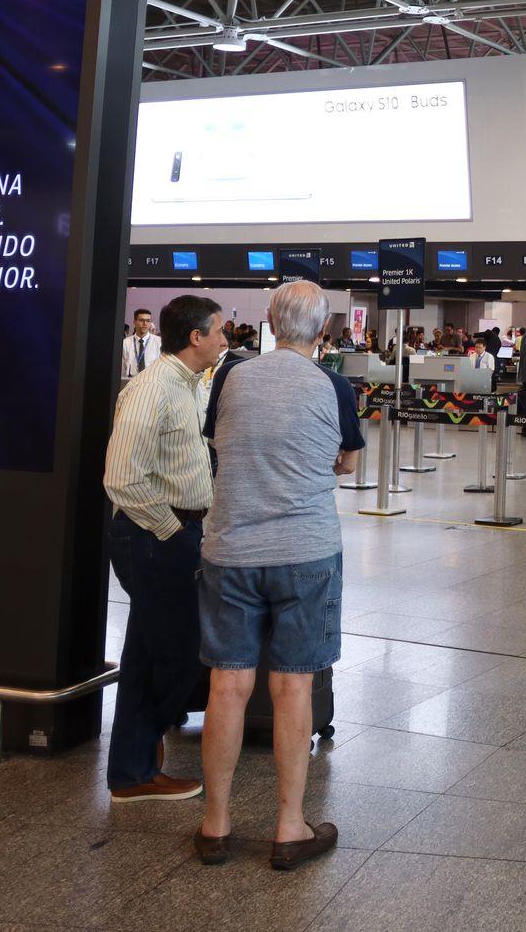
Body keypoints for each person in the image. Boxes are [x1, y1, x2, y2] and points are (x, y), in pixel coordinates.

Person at [194, 282, 361, 869]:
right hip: (305, 553)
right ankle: (290, 828)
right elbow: (347, 461)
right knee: (292, 686)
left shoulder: (232, 376)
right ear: (324, 330)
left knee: (226, 685)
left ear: (269, 320)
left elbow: (218, 443)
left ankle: (215, 825)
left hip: (231, 549)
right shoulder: (335, 386)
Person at [102, 294, 225, 806]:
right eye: (219, 330)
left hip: (175, 533)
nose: (225, 339)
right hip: (152, 537)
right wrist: (172, 531)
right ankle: (137, 760)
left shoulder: (191, 384)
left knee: (147, 652)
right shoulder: (151, 389)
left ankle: (133, 771)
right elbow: (122, 478)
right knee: (176, 654)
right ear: (196, 337)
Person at [119, 308, 161, 383]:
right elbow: (122, 368)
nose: (145, 323)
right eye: (141, 320)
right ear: (134, 322)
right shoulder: (126, 343)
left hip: (152, 383)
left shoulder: (159, 342)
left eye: (148, 321)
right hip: (130, 382)